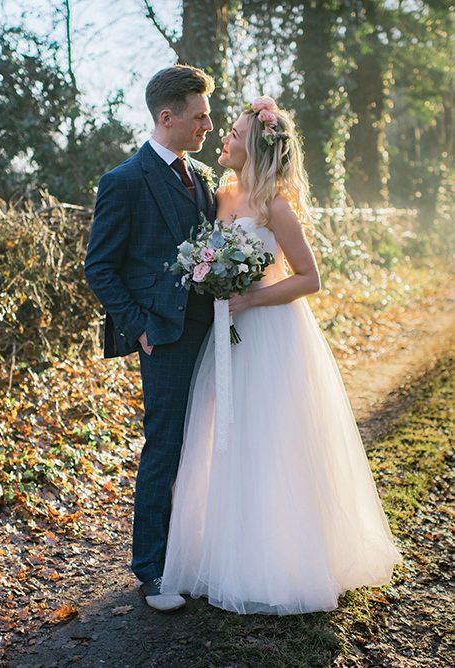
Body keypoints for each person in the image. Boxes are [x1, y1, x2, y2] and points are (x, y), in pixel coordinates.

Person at [160, 96, 402, 614]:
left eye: (234, 134)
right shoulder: (220, 195)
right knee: (223, 438)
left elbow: (309, 278)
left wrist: (249, 297)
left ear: (256, 148)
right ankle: (227, 553)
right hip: (225, 335)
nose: (224, 137)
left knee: (270, 439)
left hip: (271, 332)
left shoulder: (277, 205)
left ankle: (281, 560)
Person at [84, 65, 217, 611]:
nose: (207, 124)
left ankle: (199, 554)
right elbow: (100, 268)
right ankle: (153, 571)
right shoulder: (124, 181)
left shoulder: (203, 177)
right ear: (168, 117)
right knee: (165, 446)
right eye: (199, 115)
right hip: (163, 337)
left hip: (218, 333)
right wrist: (138, 327)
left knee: (210, 444)